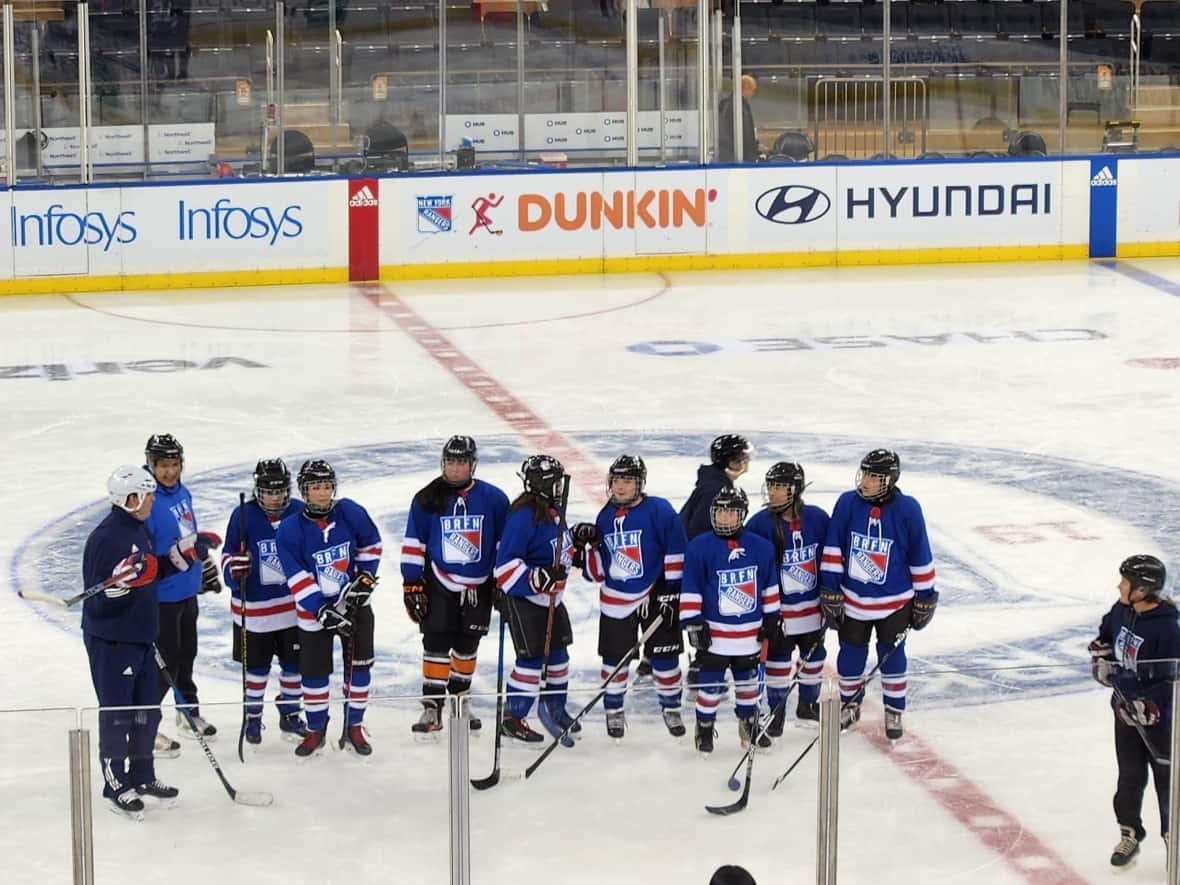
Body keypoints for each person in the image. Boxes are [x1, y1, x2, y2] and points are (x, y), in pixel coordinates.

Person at [819, 449, 938, 740]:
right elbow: (834, 547)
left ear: (889, 479)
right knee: (850, 658)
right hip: (853, 601)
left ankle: (894, 709)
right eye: (865, 473)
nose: (866, 481)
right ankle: (850, 705)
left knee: (893, 657)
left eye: (874, 476)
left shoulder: (908, 509)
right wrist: (830, 589)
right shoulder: (847, 503)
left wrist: (926, 596)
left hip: (894, 603)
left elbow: (919, 553)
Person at [82, 465, 179, 818]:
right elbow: (96, 601)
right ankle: (115, 784)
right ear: (131, 499)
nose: (153, 500)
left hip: (141, 637)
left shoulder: (139, 530)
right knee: (119, 716)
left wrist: (181, 556)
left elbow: (148, 573)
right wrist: (119, 588)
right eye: (148, 494)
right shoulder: (106, 539)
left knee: (145, 713)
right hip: (112, 642)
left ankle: (142, 776)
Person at [572, 454, 689, 740]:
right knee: (614, 661)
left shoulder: (659, 509)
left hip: (656, 596)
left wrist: (672, 592)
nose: (621, 487)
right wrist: (582, 548)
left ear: (639, 484)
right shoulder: (605, 516)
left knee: (665, 659)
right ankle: (614, 709)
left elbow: (676, 550)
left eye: (627, 481)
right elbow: (599, 571)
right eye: (616, 480)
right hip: (616, 599)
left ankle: (671, 706)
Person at [400, 436, 509, 738]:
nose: (456, 467)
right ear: (443, 463)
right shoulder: (427, 498)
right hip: (439, 580)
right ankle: (432, 706)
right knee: (435, 642)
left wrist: (502, 578)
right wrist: (411, 583)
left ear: (472, 464)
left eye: (461, 462)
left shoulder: (495, 499)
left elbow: (505, 544)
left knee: (467, 644)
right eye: (451, 461)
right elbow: (414, 542)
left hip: (480, 584)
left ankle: (460, 699)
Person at [276, 459, 382, 757]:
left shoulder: (350, 511)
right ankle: (315, 730)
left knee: (359, 669)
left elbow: (371, 543)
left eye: (326, 486)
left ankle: (354, 727)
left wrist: (363, 577)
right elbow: (295, 574)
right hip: (314, 614)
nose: (322, 494)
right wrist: (320, 609)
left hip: (354, 605)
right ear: (304, 491)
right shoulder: (290, 529)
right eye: (314, 488)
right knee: (313, 674)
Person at [1089, 554, 1179, 868]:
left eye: (1125, 583)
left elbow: (1172, 677)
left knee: (1167, 785)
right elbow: (1105, 635)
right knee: (1129, 778)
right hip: (1124, 714)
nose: (1119, 586)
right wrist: (1100, 659)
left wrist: (1150, 705)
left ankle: (1174, 842)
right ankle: (1130, 833)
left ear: (1141, 590)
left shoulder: (1168, 628)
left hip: (1162, 723)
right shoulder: (1121, 610)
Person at [680, 487, 780, 754]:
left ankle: (748, 723)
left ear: (742, 515)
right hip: (715, 635)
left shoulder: (761, 547)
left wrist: (772, 618)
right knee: (710, 684)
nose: (725, 518)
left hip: (749, 634)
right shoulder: (699, 547)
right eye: (720, 512)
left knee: (748, 684)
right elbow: (691, 587)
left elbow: (769, 585)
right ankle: (703, 727)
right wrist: (693, 622)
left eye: (731, 512)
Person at [221, 458, 308, 745]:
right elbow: (228, 555)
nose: (276, 497)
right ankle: (253, 717)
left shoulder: (299, 511)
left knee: (294, 667)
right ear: (258, 490)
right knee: (257, 669)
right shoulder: (242, 516)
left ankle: (291, 714)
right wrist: (235, 571)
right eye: (269, 491)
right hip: (255, 613)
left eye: (281, 490)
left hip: (293, 610)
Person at [492, 455, 578, 743]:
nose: (560, 487)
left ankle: (555, 708)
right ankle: (513, 717)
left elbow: (560, 551)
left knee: (559, 658)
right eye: (554, 481)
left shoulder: (553, 512)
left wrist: (577, 541)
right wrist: (537, 578)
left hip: (553, 600)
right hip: (526, 601)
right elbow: (504, 568)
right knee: (530, 660)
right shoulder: (523, 517)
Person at [143, 433, 222, 748]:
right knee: (164, 663)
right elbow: (146, 556)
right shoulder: (146, 499)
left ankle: (188, 713)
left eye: (174, 464)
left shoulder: (181, 493)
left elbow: (187, 538)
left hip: (186, 591)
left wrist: (201, 568)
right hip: (161, 597)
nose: (169, 472)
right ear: (151, 464)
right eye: (163, 465)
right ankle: (144, 728)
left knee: (186, 656)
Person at [744, 461, 829, 734]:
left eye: (780, 486)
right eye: (771, 485)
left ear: (796, 489)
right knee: (778, 663)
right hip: (779, 613)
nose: (773, 492)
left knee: (813, 659)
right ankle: (776, 711)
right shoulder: (758, 524)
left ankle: (807, 705)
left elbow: (830, 559)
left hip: (813, 610)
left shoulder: (817, 518)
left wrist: (832, 595)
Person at [675, 434, 752, 688]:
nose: (746, 462)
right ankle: (700, 665)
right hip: (701, 566)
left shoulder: (714, 483)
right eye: (741, 458)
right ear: (729, 460)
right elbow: (699, 533)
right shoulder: (715, 489)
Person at [716, 74, 761, 163]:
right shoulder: (737, 105)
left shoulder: (732, 103)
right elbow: (745, 132)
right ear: (746, 88)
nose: (753, 93)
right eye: (753, 90)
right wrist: (755, 147)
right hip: (737, 155)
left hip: (732, 153)